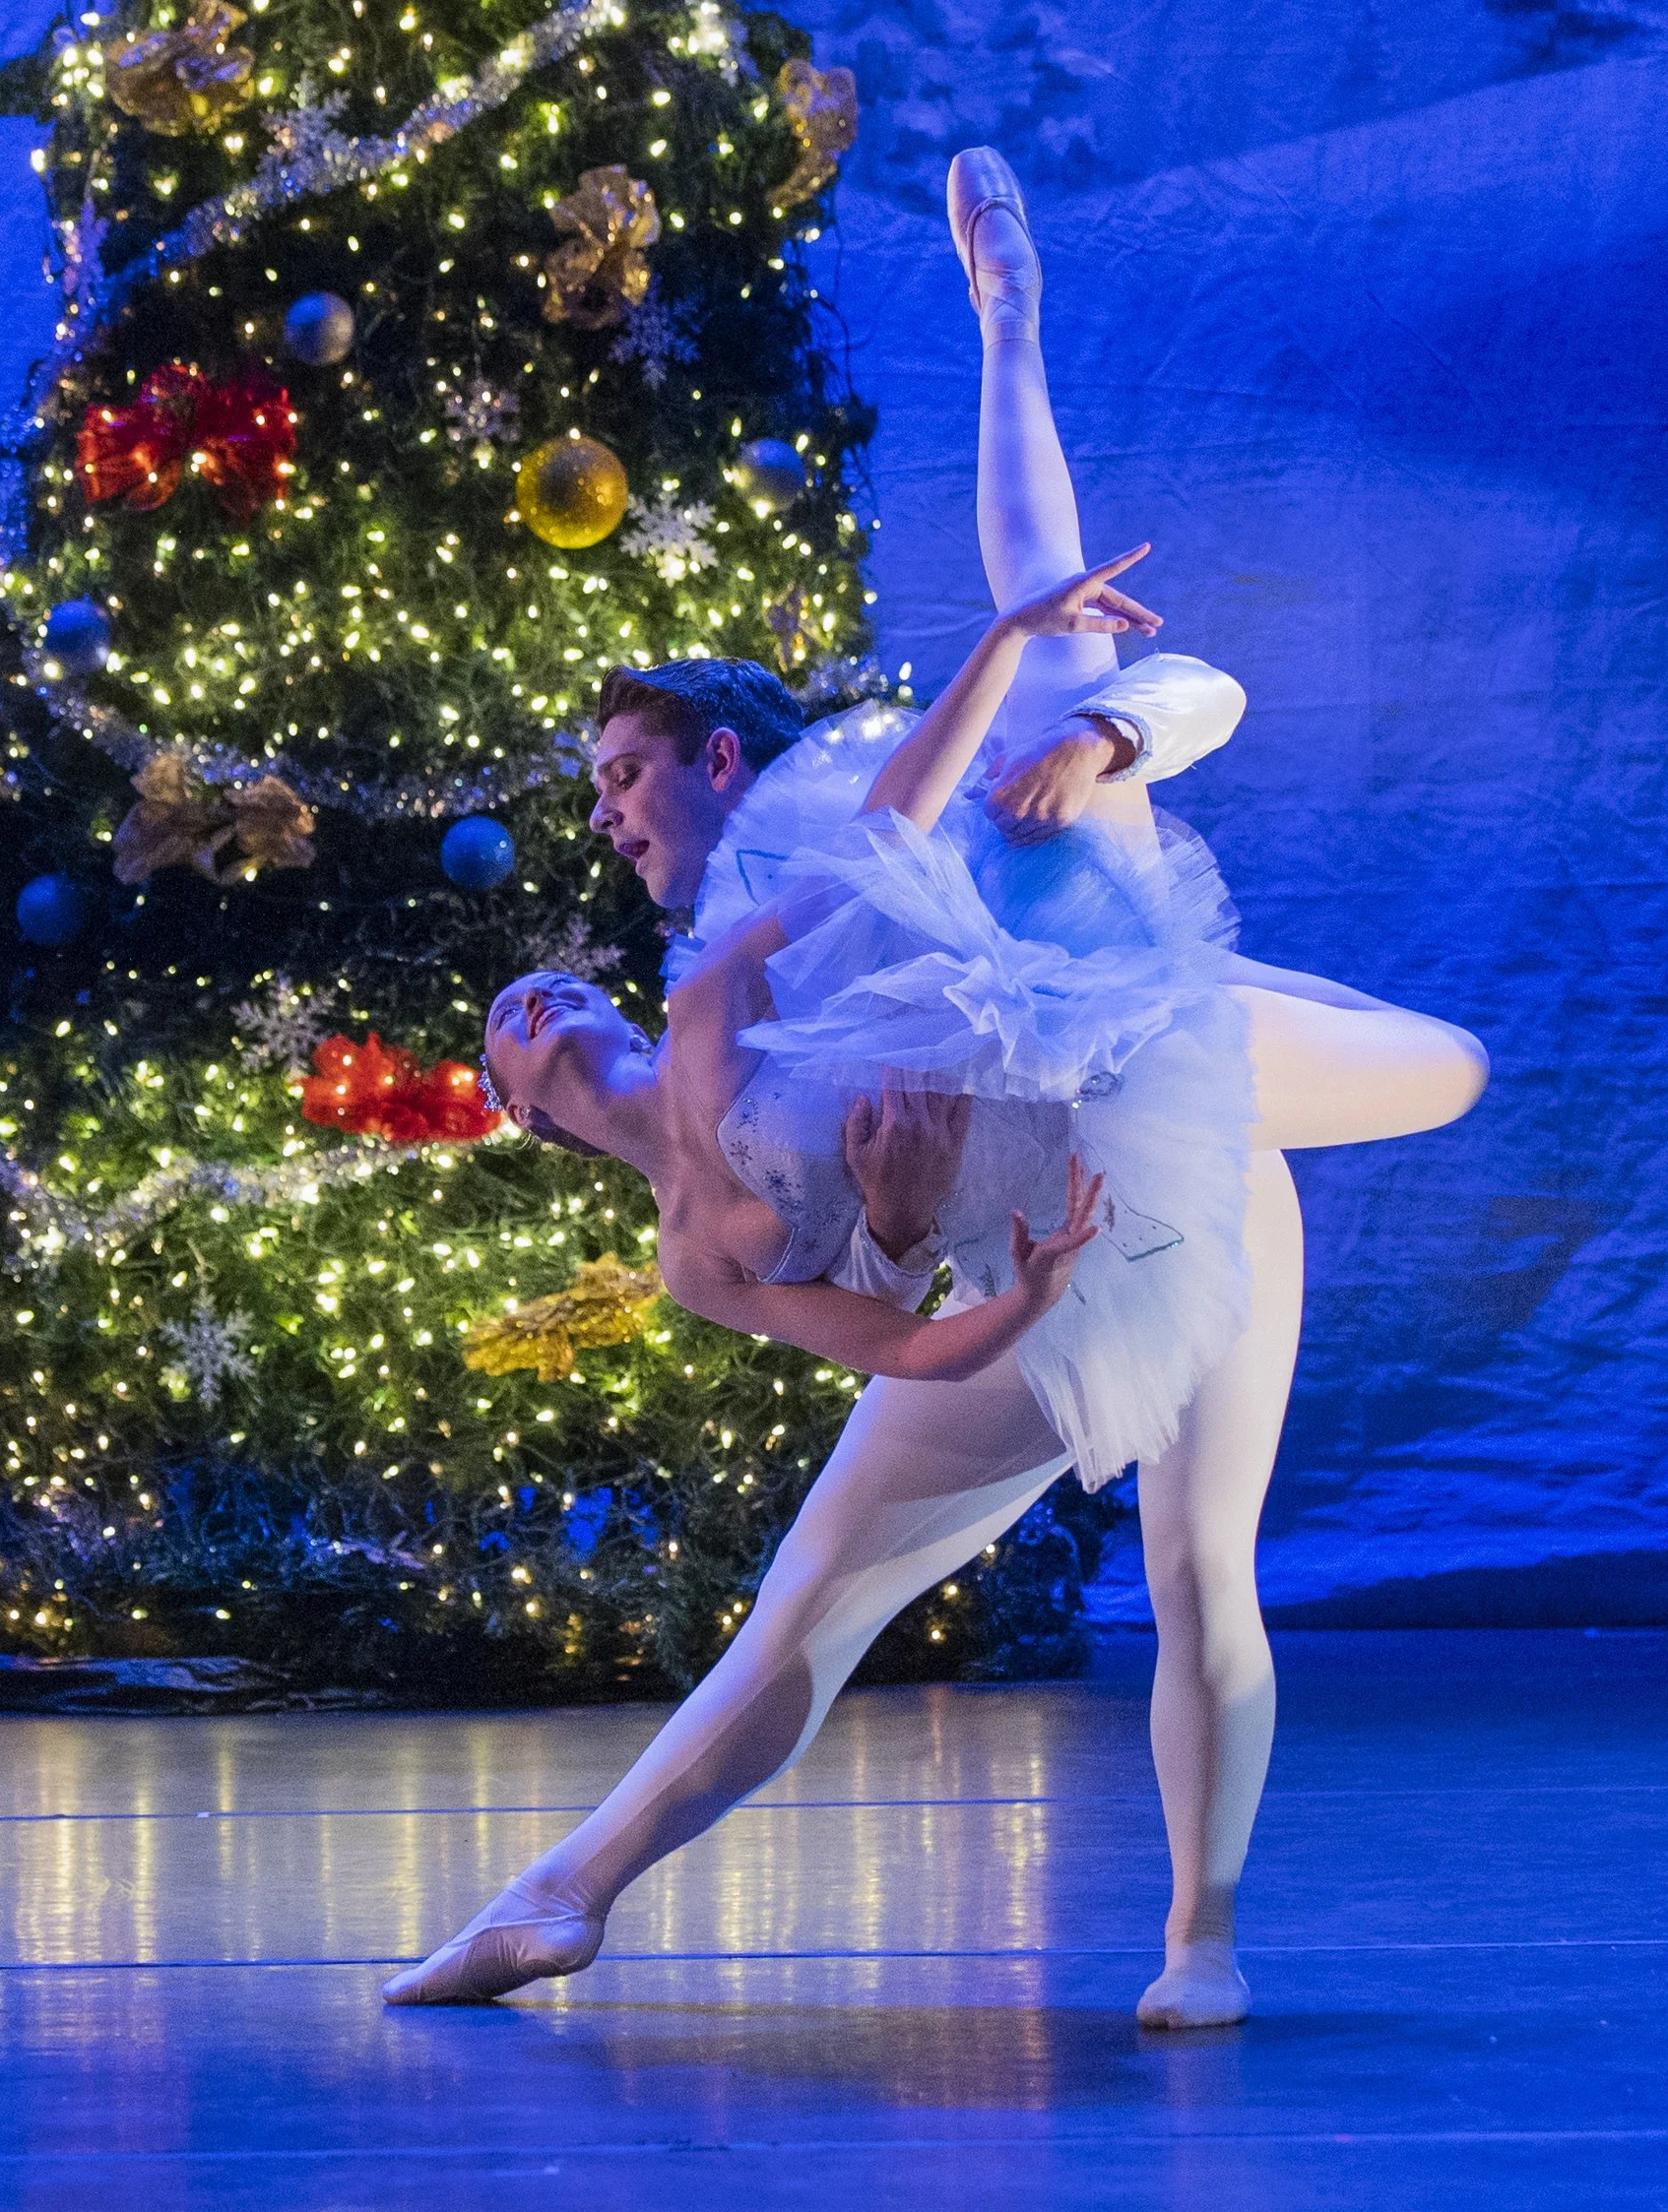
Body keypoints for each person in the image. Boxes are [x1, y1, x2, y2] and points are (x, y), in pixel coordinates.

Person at [383, 153, 1488, 2019]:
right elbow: (879, 1322)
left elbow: (1041, 690)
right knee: (849, 1589)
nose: (588, 871)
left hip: (1143, 1067)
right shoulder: (696, 1197)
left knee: (1398, 1048)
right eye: (519, 1022)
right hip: (1070, 1248)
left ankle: (1010, 317)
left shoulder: (747, 947)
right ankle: (570, 1892)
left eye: (621, 789)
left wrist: (1095, 727)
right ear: (526, 1108)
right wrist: (921, 1246)